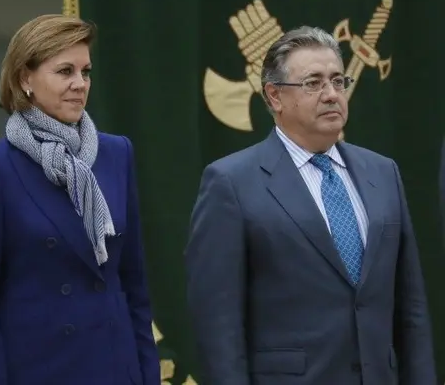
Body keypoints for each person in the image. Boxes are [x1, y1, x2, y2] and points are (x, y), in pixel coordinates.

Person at [184, 26, 436, 384]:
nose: (332, 94)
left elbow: (411, 310)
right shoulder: (230, 183)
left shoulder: (383, 172)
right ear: (274, 97)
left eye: (338, 81)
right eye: (313, 83)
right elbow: (217, 324)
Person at [0, 14, 160, 385]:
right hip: (40, 368)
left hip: (114, 364)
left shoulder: (116, 153)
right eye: (64, 71)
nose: (79, 84)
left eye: (86, 72)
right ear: (24, 79)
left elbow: (133, 281)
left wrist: (146, 372)